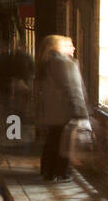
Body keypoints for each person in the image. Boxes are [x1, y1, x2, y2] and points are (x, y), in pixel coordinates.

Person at [36, 34, 88, 181]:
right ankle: (61, 172)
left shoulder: (47, 62)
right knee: (63, 143)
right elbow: (73, 88)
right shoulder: (64, 63)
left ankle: (48, 171)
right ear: (58, 47)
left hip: (52, 112)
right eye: (69, 45)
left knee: (53, 141)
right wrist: (81, 112)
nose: (73, 48)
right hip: (64, 111)